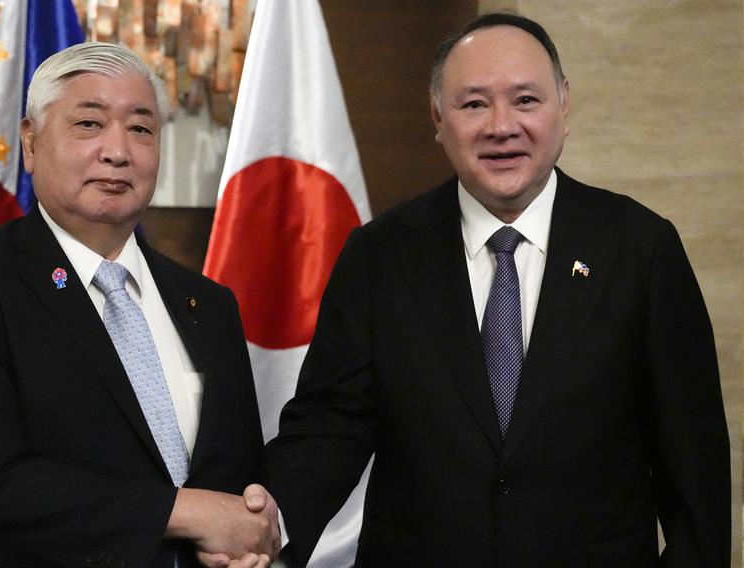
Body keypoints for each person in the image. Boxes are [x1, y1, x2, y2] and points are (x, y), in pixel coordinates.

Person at [263, 12, 730, 567]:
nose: (501, 125)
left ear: (563, 106)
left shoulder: (641, 247)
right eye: (474, 103)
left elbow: (692, 458)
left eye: (526, 100)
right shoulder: (380, 254)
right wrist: (261, 529)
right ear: (438, 117)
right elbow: (328, 426)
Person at [0, 42, 279, 568]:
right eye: (89, 124)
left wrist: (243, 537)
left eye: (141, 128)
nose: (118, 150)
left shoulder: (209, 305)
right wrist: (182, 512)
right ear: (31, 144)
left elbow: (235, 474)